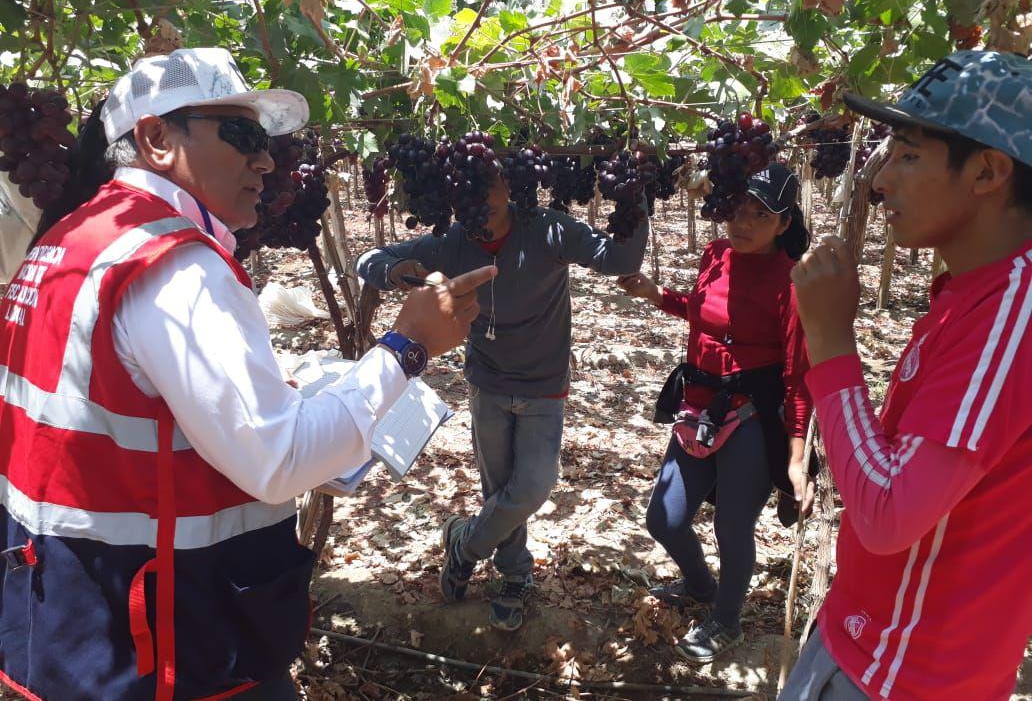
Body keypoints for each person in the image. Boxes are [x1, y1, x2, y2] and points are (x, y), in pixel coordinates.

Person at [0, 47, 496, 701]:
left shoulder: (71, 242)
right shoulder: (176, 268)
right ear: (154, 139)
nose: (265, 160)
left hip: (71, 623)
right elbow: (280, 460)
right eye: (241, 135)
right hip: (172, 647)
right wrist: (409, 345)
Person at [780, 50, 1032, 700]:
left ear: (987, 171)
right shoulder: (973, 293)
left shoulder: (1013, 316)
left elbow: (890, 512)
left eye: (909, 155)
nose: (879, 180)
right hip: (864, 640)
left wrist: (830, 343)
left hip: (901, 674)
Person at [356, 163, 648, 630]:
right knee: (499, 490)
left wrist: (636, 194)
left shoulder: (548, 229)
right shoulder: (452, 243)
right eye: (467, 188)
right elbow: (366, 261)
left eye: (488, 184)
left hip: (543, 385)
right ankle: (515, 576)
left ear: (509, 184)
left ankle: (464, 544)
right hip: (488, 383)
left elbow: (619, 261)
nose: (481, 199)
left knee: (531, 486)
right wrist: (395, 270)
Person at [618, 162, 814, 663]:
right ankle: (701, 585)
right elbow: (702, 312)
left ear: (784, 222)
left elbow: (797, 375)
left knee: (732, 527)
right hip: (697, 406)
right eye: (736, 209)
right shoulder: (716, 254)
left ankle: (727, 620)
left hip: (747, 416)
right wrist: (655, 295)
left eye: (758, 213)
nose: (742, 222)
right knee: (664, 519)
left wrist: (797, 454)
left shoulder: (792, 283)